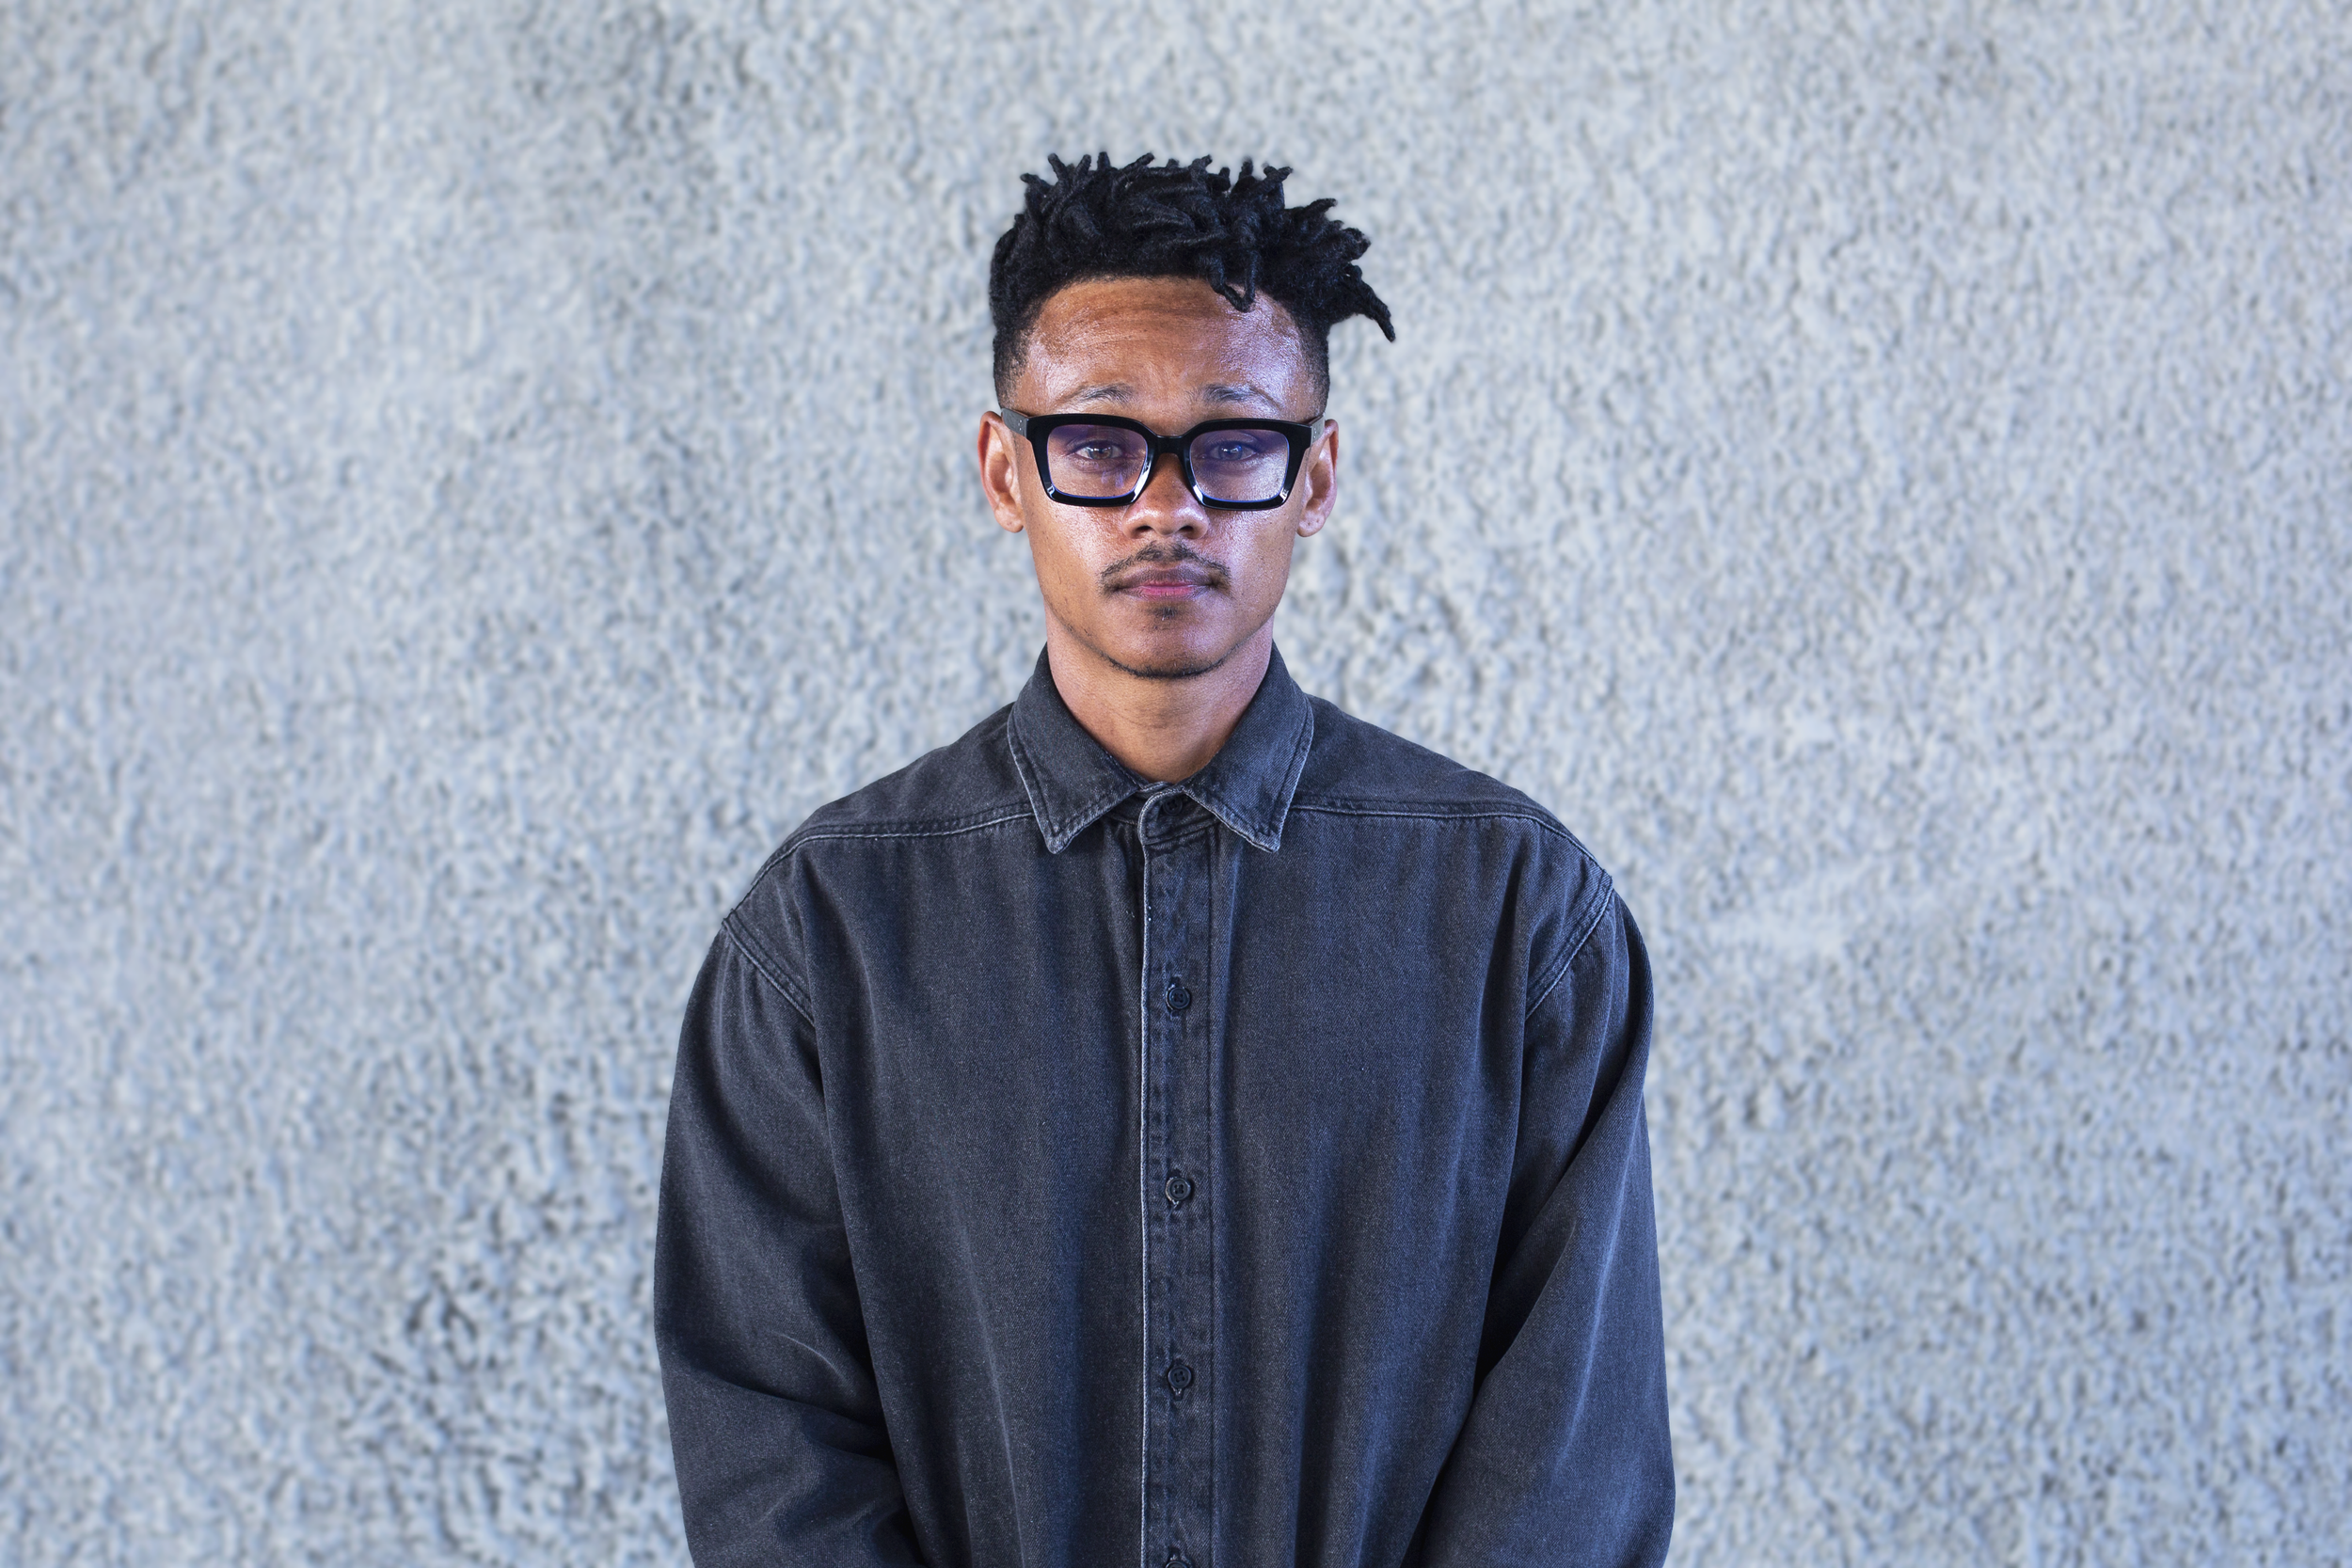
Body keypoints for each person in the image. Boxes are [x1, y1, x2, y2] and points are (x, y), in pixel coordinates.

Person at [655, 152, 1674, 1568]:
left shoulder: (1518, 915)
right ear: (1006, 471)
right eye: (1098, 443)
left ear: (1315, 477)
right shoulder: (827, 935)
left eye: (1234, 445)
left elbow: (1570, 1470)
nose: (1165, 507)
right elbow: (773, 1453)